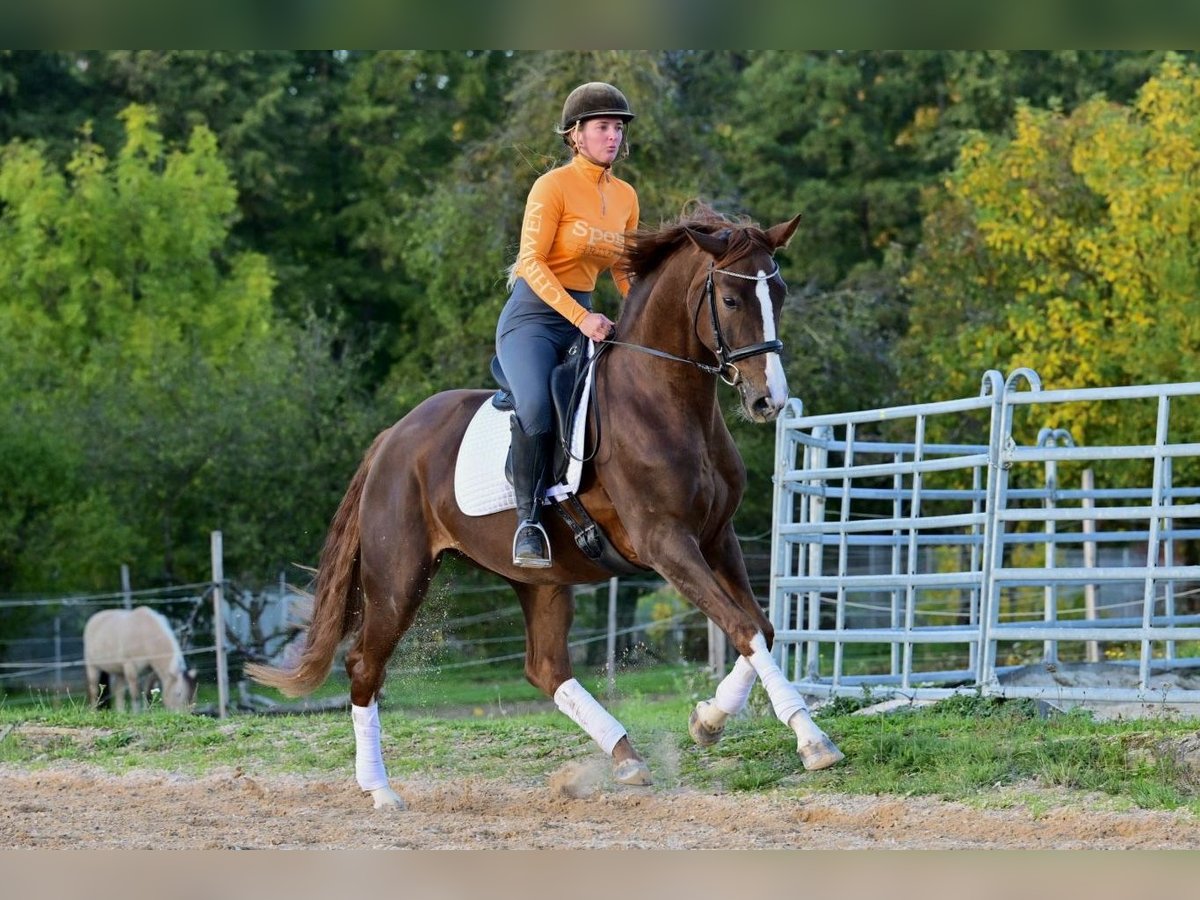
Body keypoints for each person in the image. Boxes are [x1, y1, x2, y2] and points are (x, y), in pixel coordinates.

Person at [495, 81, 640, 568]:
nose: (613, 137)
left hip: (586, 317)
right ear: (575, 134)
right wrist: (583, 317)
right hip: (533, 317)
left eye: (618, 128)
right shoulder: (551, 186)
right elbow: (530, 263)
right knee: (537, 406)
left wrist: (640, 316)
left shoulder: (625, 196)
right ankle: (528, 521)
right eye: (602, 127)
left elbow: (623, 271)